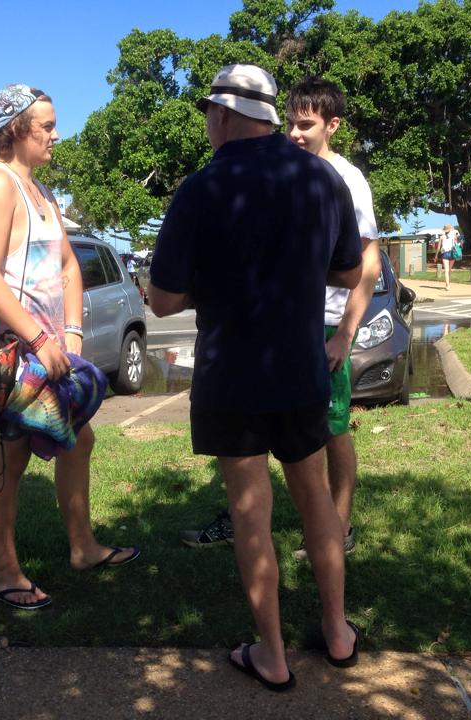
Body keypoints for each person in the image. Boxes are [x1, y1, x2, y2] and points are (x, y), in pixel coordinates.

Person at [150, 64, 363, 691]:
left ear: (220, 115)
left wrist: (218, 287)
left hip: (232, 376)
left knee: (251, 511)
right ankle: (338, 631)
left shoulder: (201, 188)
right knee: (315, 497)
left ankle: (271, 654)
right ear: (269, 116)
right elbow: (350, 274)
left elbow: (161, 301)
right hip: (301, 368)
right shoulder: (323, 178)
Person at [180, 76, 383, 560]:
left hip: (329, 326)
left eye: (307, 124)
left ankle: (341, 525)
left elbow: (366, 266)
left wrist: (346, 334)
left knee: (330, 429)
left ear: (333, 125)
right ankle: (242, 518)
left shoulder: (345, 179)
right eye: (290, 121)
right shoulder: (279, 173)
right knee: (252, 438)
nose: (295, 132)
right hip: (279, 330)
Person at [0, 84, 139, 611]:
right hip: (13, 351)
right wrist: (39, 339)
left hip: (49, 350)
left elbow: (68, 266)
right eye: (46, 125)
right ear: (15, 130)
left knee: (79, 443)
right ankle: (4, 572)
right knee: (9, 460)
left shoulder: (40, 191)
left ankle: (83, 548)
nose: (56, 135)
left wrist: (71, 335)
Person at [432, 223, 461, 290]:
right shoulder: (453, 236)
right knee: (449, 270)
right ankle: (448, 284)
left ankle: (447, 285)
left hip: (445, 253)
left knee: (446, 270)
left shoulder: (441, 237)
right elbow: (457, 237)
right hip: (452, 253)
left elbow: (438, 247)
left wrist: (436, 255)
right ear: (450, 229)